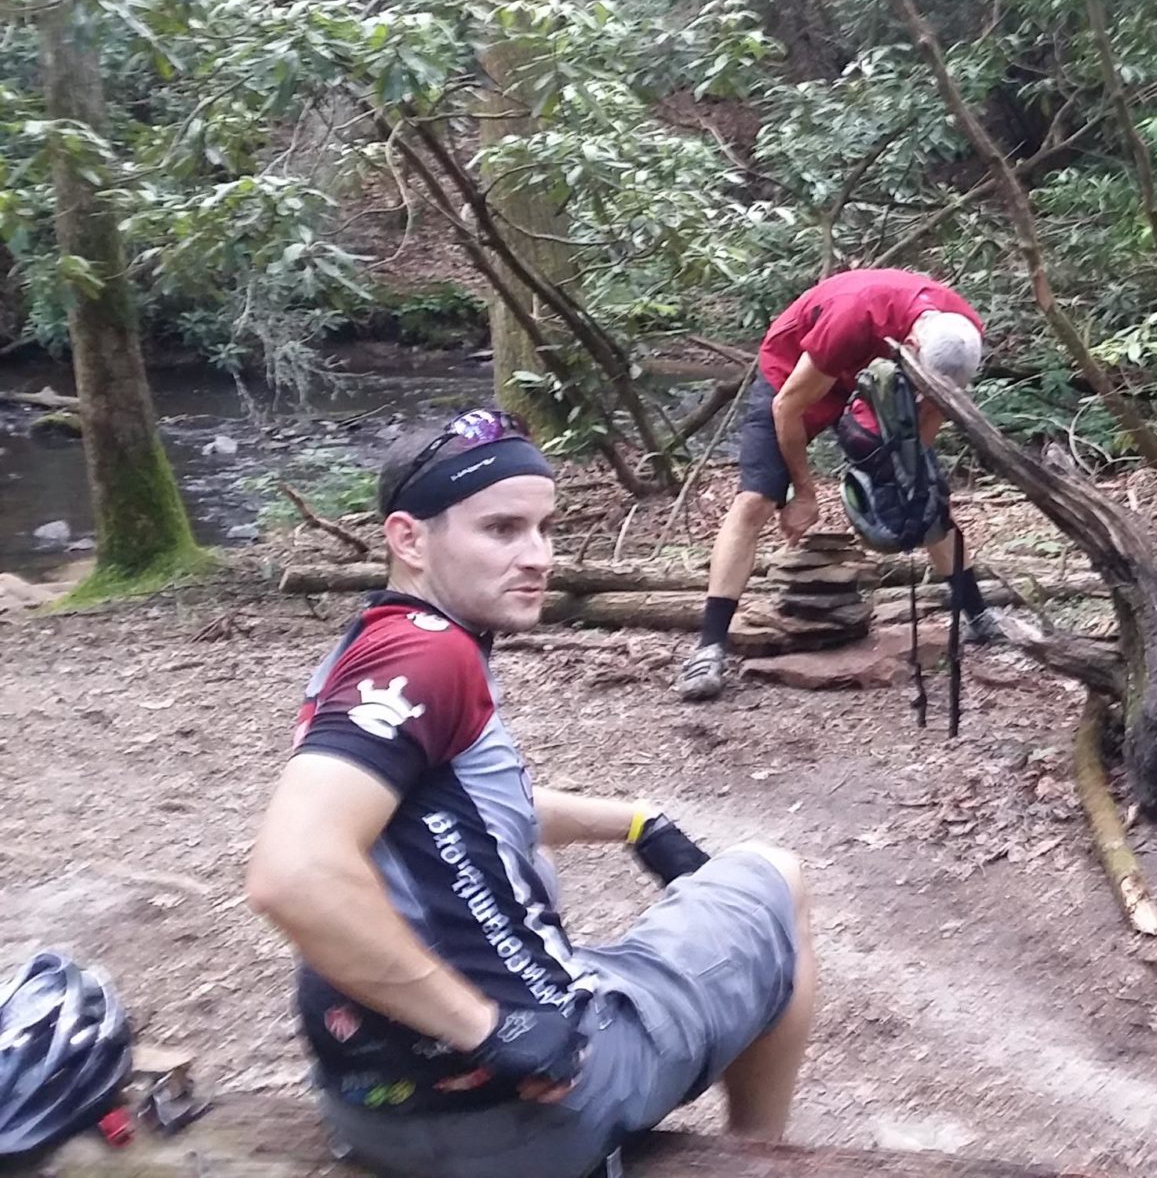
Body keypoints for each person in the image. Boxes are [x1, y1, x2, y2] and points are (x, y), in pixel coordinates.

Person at [245, 411, 817, 1178]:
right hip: (531, 1110)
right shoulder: (431, 655)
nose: (537, 556)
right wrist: (485, 1029)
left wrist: (637, 822)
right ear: (409, 538)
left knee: (604, 951)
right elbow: (293, 873)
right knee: (775, 878)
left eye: (545, 528)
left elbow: (463, 809)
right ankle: (758, 1160)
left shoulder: (371, 649)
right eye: (503, 529)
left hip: (372, 1108)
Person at [676, 268, 994, 702]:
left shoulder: (961, 332)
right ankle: (709, 647)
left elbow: (936, 406)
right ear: (914, 345)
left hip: (880, 379)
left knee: (927, 498)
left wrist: (908, 471)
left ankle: (978, 615)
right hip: (796, 373)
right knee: (755, 499)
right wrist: (803, 494)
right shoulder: (853, 317)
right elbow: (787, 407)